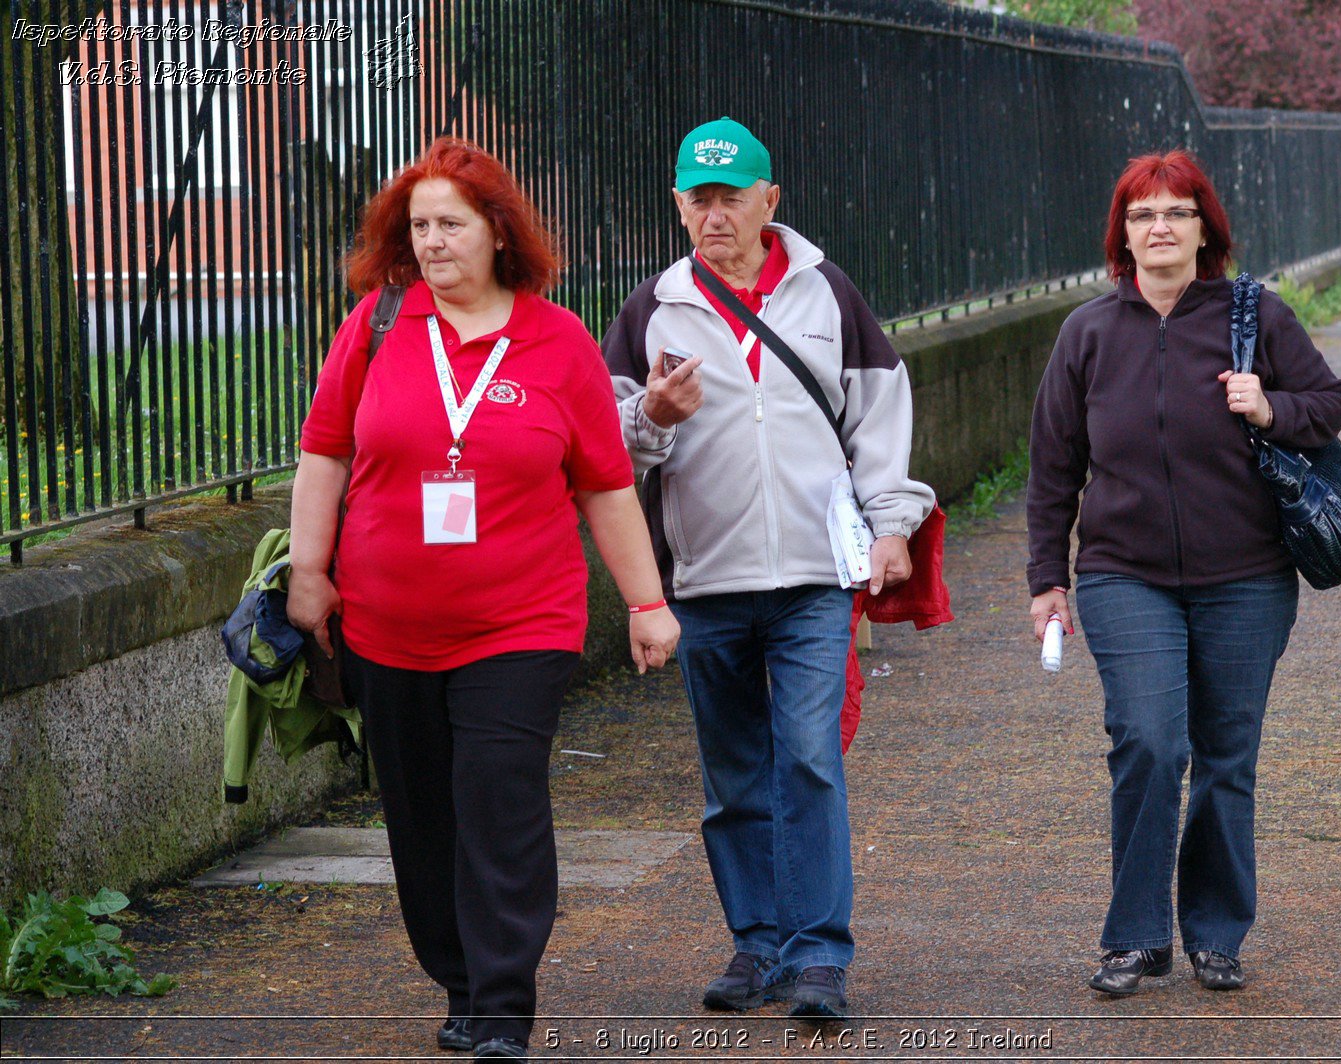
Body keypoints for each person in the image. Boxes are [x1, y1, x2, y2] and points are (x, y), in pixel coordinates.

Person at [287, 138, 679, 1061]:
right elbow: (324, 450)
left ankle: (503, 1003)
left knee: (499, 801)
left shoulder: (558, 341)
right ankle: (459, 981)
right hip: (385, 627)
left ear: (499, 233)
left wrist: (646, 601)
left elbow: (606, 485)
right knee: (421, 814)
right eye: (417, 226)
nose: (431, 243)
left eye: (450, 225)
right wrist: (310, 569)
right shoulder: (378, 326)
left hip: (520, 626)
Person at [601, 117, 935, 1019]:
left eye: (731, 197)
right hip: (707, 581)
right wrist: (655, 417)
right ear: (678, 206)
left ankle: (820, 954)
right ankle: (756, 945)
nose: (715, 215)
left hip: (817, 579)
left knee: (810, 758)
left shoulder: (829, 294)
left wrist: (892, 524)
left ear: (769, 201)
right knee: (734, 775)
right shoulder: (652, 309)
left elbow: (878, 413)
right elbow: (605, 452)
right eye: (698, 199)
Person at [1025, 149, 1341, 996]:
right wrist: (1045, 580)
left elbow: (1329, 403)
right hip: (1121, 573)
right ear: (1121, 237)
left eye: (1176, 212)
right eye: (1142, 215)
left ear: (1205, 230)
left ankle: (1214, 932)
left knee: (1225, 754)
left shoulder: (1258, 318)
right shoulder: (1087, 334)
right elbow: (1054, 466)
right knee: (1147, 740)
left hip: (1246, 575)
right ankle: (1135, 937)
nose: (1159, 227)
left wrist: (1270, 406)